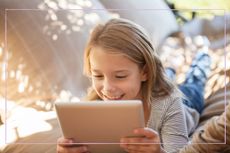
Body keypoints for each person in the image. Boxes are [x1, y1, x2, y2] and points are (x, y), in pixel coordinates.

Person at [56, 18, 210, 153]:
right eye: (98, 75)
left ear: (145, 72)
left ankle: (203, 56)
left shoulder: (169, 103)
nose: (107, 88)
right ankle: (169, 68)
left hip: (187, 104)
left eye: (120, 76)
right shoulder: (92, 106)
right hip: (150, 86)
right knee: (167, 75)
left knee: (195, 79)